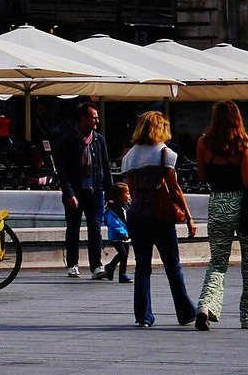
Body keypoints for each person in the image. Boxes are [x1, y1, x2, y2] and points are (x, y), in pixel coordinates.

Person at [194, 100, 248, 330]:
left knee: (217, 262)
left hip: (218, 203)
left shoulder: (203, 143)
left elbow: (203, 177)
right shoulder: (244, 145)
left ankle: (207, 305)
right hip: (243, 206)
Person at [122, 110, 198, 328]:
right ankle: (185, 312)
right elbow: (174, 189)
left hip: (138, 215)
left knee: (142, 266)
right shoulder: (165, 154)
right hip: (160, 216)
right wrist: (189, 217)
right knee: (172, 265)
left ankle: (143, 315)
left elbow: (133, 189)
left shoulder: (131, 156)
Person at [55, 102, 114, 279]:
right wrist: (68, 193)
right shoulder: (67, 141)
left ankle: (96, 266)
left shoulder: (98, 139)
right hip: (75, 191)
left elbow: (105, 166)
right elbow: (62, 171)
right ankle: (72, 264)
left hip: (94, 190)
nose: (97, 120)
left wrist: (109, 193)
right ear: (82, 119)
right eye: (93, 117)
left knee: (95, 228)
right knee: (73, 228)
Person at [102, 183, 132, 283]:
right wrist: (123, 233)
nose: (129, 195)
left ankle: (122, 274)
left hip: (126, 235)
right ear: (120, 196)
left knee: (125, 255)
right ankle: (110, 266)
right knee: (122, 253)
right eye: (127, 193)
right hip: (117, 236)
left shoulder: (126, 207)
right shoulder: (112, 209)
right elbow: (114, 223)